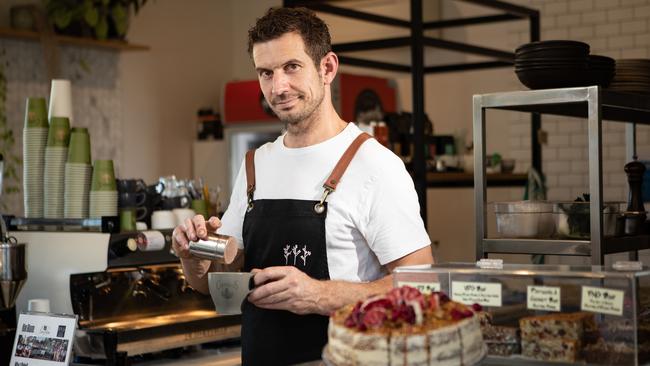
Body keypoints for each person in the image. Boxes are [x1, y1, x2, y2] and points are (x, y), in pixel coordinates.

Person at [172, 6, 434, 365]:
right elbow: (218, 283)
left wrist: (318, 295)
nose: (278, 87)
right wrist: (193, 258)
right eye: (266, 73)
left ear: (327, 68)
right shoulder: (255, 164)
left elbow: (421, 284)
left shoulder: (375, 165)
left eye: (291, 67)